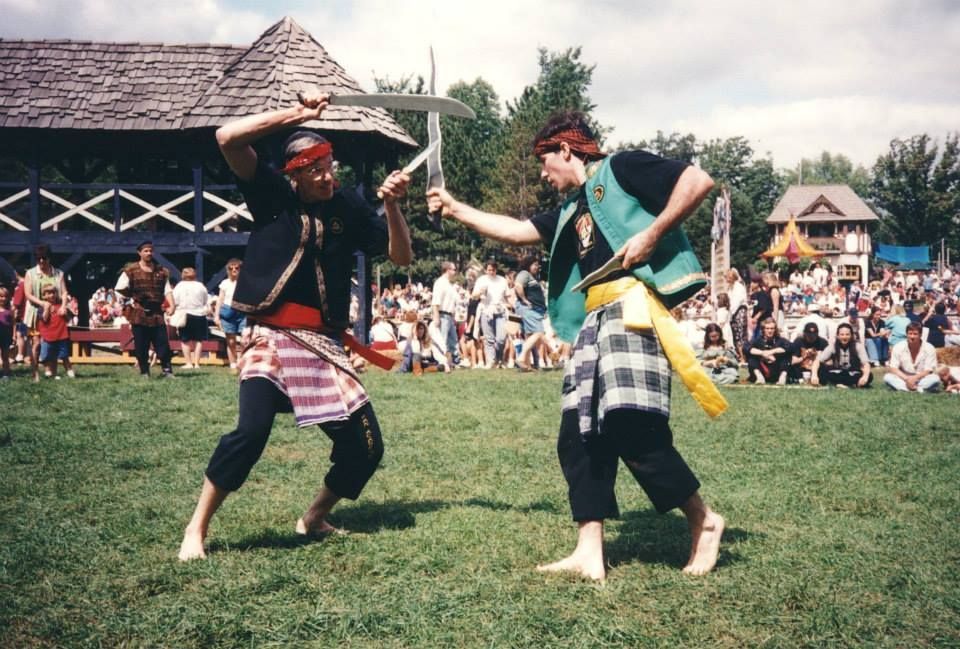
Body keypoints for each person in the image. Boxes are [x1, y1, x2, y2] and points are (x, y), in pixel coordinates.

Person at [427, 110, 725, 580]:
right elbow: (514, 228)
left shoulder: (622, 168)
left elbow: (698, 181)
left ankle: (703, 521)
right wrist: (454, 206)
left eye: (546, 162)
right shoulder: (568, 210)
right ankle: (590, 551)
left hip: (633, 309)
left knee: (632, 424)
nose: (544, 175)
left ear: (567, 150)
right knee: (579, 433)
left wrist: (651, 234)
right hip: (594, 319)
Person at [178, 89, 413, 561]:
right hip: (272, 339)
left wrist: (391, 207)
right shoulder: (271, 197)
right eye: (315, 171)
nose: (327, 177)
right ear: (294, 174)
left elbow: (402, 256)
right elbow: (226, 137)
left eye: (330, 167)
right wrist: (298, 114)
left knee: (366, 446)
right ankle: (196, 528)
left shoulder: (348, 205)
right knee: (251, 431)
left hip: (324, 346)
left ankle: (314, 516)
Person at [115, 241, 175, 378]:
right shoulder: (131, 271)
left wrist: (172, 305)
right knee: (141, 345)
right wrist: (133, 297)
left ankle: (167, 370)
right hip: (139, 312)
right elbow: (120, 289)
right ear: (139, 253)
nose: (149, 253)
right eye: (146, 251)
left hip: (157, 313)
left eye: (150, 251)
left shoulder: (162, 271)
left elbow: (167, 290)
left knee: (162, 343)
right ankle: (144, 371)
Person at [22, 245, 69, 382]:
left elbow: (64, 292)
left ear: (49, 258)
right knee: (36, 344)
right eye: (38, 259)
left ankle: (52, 372)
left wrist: (64, 306)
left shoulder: (58, 273)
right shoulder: (30, 273)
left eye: (44, 258)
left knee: (54, 341)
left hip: (55, 314)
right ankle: (35, 372)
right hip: (35, 313)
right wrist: (43, 304)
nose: (41, 261)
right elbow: (28, 294)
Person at [810, 322, 872, 388]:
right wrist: (814, 375)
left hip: (852, 373)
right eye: (842, 334)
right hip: (837, 373)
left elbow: (866, 364)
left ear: (851, 336)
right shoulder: (832, 346)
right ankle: (848, 384)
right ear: (837, 335)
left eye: (847, 334)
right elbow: (818, 361)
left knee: (869, 376)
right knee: (821, 369)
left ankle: (841, 384)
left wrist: (865, 377)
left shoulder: (858, 346)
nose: (844, 337)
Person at [472, 260, 509, 368]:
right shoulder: (481, 280)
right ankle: (491, 361)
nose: (491, 272)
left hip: (500, 310)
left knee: (501, 338)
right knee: (489, 339)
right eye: (489, 270)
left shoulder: (502, 280)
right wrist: (480, 292)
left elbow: (507, 296)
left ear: (496, 270)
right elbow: (474, 296)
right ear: (485, 270)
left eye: (493, 270)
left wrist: (511, 306)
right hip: (486, 310)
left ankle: (499, 359)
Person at [883, 322, 940, 392]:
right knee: (887, 377)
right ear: (906, 334)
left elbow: (928, 370)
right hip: (904, 377)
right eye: (910, 334)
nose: (912, 337)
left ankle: (906, 389)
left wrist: (915, 378)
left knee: (935, 379)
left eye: (915, 334)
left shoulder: (929, 348)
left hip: (921, 378)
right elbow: (893, 368)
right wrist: (907, 379)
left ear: (920, 335)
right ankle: (918, 389)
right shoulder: (898, 347)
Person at [172, 267, 211, 369]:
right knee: (199, 340)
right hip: (200, 314)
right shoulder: (200, 286)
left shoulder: (179, 286)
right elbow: (205, 299)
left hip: (184, 314)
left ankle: (188, 363)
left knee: (185, 340)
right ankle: (197, 363)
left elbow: (175, 300)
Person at [514, 255, 547, 371]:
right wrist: (524, 299)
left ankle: (526, 366)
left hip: (533, 310)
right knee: (539, 332)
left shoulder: (532, 277)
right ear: (528, 265)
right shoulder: (524, 274)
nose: (538, 267)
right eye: (535, 264)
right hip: (528, 309)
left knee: (529, 336)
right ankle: (521, 358)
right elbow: (518, 285)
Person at [37, 285, 75, 380]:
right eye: (49, 293)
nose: (52, 295)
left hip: (61, 334)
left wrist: (65, 312)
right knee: (47, 355)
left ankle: (69, 370)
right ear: (44, 296)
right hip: (47, 335)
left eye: (53, 292)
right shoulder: (41, 306)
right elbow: (44, 319)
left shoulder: (61, 305)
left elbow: (69, 318)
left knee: (64, 355)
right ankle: (48, 371)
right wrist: (47, 309)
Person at [214, 259, 246, 372]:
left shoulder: (245, 282)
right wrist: (216, 316)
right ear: (227, 270)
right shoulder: (224, 283)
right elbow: (219, 300)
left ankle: (242, 362)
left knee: (244, 339)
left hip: (242, 311)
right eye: (231, 268)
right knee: (231, 340)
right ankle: (232, 363)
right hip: (227, 310)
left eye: (237, 268)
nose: (234, 270)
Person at [430, 261, 460, 372]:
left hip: (449, 315)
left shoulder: (449, 284)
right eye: (453, 269)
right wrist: (436, 316)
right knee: (442, 341)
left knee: (453, 340)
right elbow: (435, 301)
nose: (455, 271)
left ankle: (453, 362)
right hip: (442, 314)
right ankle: (442, 362)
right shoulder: (440, 283)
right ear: (447, 270)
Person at [746, 318, 790, 385]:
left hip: (776, 368)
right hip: (762, 368)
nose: (770, 331)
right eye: (767, 328)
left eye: (772, 328)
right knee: (752, 358)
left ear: (775, 330)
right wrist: (763, 353)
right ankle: (760, 378)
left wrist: (772, 352)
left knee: (785, 357)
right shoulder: (758, 340)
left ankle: (782, 378)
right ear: (763, 329)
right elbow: (746, 348)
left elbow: (789, 348)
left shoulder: (780, 340)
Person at [725, 268, 748, 363]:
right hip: (732, 313)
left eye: (727, 277)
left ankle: (744, 357)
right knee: (735, 335)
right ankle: (739, 356)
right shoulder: (730, 287)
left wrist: (730, 314)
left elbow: (736, 302)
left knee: (740, 335)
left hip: (739, 312)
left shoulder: (739, 287)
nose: (726, 279)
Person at [0, 286, 13, 378]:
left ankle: (6, 372)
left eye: (5, 296)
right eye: (1, 296)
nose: (3, 298)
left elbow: (14, 324)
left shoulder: (10, 310)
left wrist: (14, 336)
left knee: (5, 355)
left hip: (6, 336)